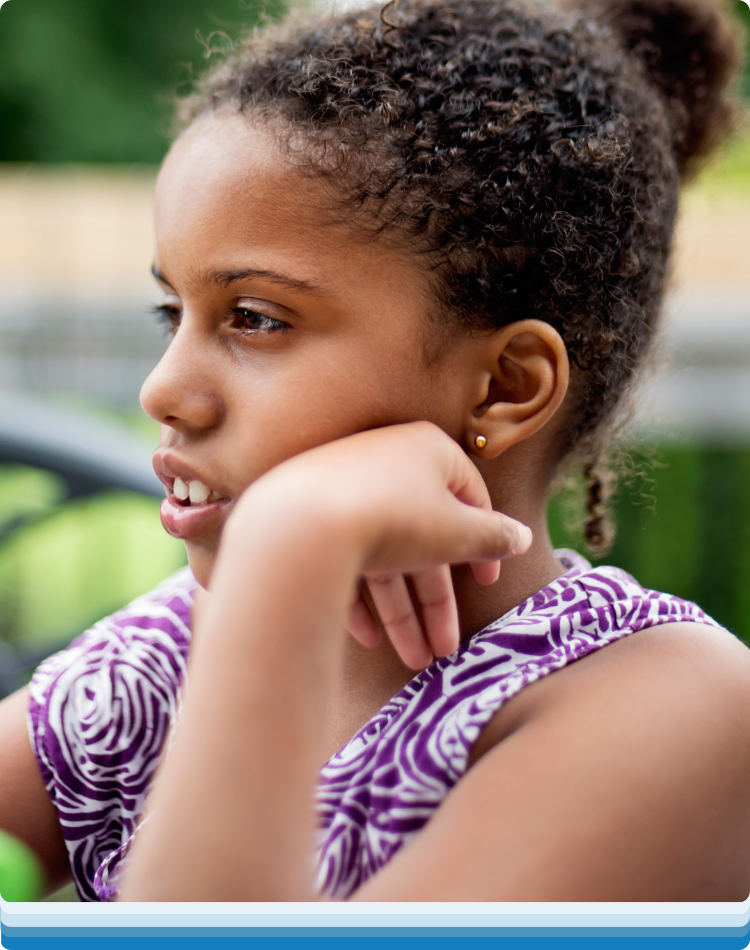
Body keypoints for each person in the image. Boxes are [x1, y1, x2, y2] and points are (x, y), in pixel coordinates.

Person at [1, 0, 749, 904]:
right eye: (174, 313)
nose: (162, 390)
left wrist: (288, 556)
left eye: (255, 319)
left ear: (506, 385)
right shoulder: (172, 654)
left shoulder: (676, 707)